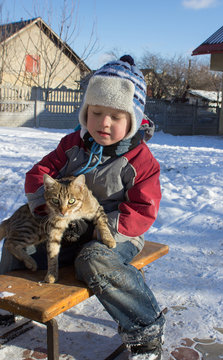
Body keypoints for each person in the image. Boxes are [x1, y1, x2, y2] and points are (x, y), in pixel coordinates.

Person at [0, 55, 165, 359]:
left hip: (117, 235)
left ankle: (145, 329)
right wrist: (43, 210)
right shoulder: (72, 145)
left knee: (92, 259)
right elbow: (39, 175)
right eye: (96, 112)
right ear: (85, 113)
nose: (104, 122)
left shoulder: (140, 160)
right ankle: (3, 308)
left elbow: (143, 210)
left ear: (134, 120)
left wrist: (96, 228)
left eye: (116, 116)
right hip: (69, 227)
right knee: (14, 241)